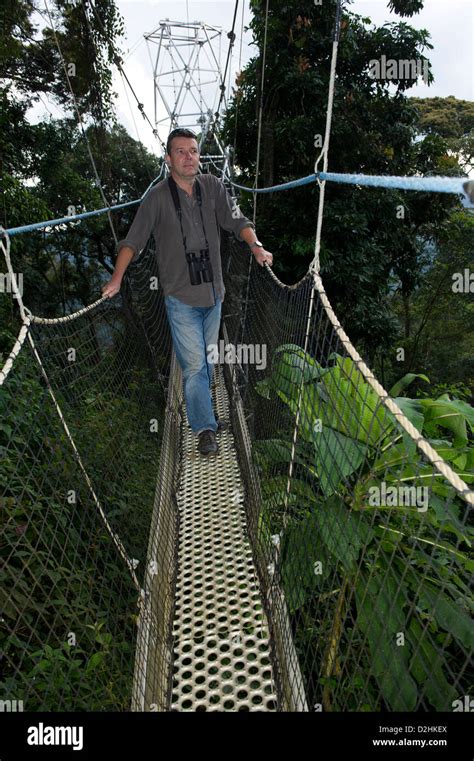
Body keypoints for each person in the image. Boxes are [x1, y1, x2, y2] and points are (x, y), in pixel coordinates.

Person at [102, 128, 273, 456]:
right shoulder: (156, 198)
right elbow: (133, 240)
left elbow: (238, 220)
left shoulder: (213, 187)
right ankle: (205, 429)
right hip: (180, 299)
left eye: (193, 151)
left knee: (207, 364)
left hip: (214, 294)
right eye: (180, 152)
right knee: (194, 367)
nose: (188, 157)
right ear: (168, 159)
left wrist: (256, 247)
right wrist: (116, 278)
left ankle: (204, 414)